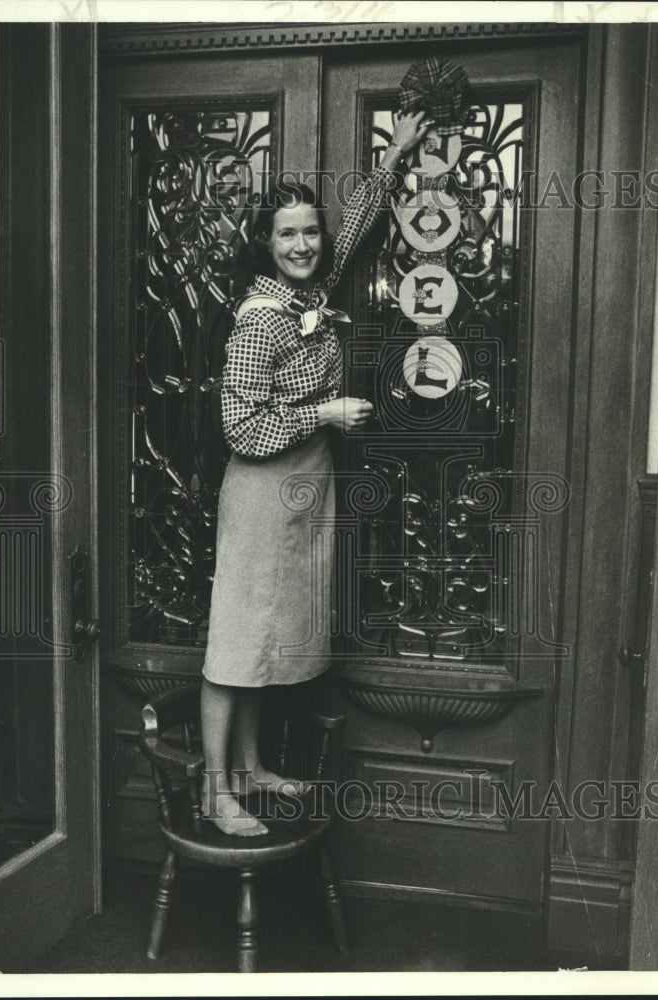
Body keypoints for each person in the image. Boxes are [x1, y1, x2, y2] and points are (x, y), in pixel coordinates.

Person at [200, 110, 431, 835]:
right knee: (236, 642)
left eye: (309, 231)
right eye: (286, 233)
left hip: (303, 489)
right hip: (262, 490)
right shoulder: (260, 320)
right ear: (264, 245)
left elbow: (354, 229)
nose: (303, 245)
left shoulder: (305, 293)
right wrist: (324, 413)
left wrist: (392, 157)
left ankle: (249, 768)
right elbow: (239, 427)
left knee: (266, 639)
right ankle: (216, 788)